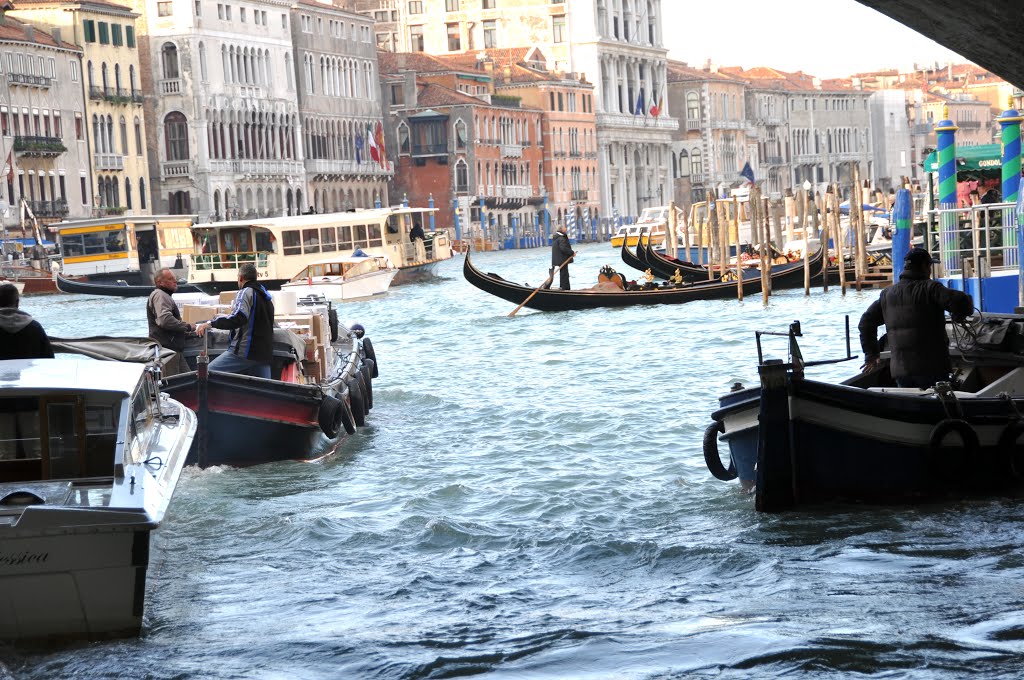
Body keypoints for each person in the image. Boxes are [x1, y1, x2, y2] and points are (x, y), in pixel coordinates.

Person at [858, 248, 973, 389]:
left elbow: (865, 323)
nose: (930, 270)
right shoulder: (931, 288)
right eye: (929, 266)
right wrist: (960, 314)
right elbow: (960, 300)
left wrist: (871, 354)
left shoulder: (887, 294)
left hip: (900, 371)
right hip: (932, 369)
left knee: (909, 402)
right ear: (924, 267)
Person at [196, 263, 275, 378]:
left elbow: (238, 318)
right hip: (264, 355)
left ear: (240, 278)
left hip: (245, 352)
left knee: (206, 374)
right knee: (263, 391)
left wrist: (210, 323)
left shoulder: (245, 292)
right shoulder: (266, 297)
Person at [147, 268, 194, 372]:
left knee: (188, 381)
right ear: (160, 282)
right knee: (174, 384)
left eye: (175, 278)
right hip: (167, 350)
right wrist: (187, 327)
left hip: (173, 349)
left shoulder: (163, 295)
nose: (175, 281)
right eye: (170, 279)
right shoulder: (160, 295)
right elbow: (165, 320)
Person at [0, 282, 54, 359]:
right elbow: (49, 358)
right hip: (28, 371)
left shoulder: (35, 326)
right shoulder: (35, 327)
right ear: (17, 302)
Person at [549, 224, 575, 290]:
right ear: (562, 229)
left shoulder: (556, 237)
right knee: (564, 274)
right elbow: (563, 248)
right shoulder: (561, 238)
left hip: (558, 259)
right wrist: (572, 252)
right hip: (562, 258)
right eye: (564, 227)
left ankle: (563, 287)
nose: (566, 228)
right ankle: (565, 288)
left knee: (563, 273)